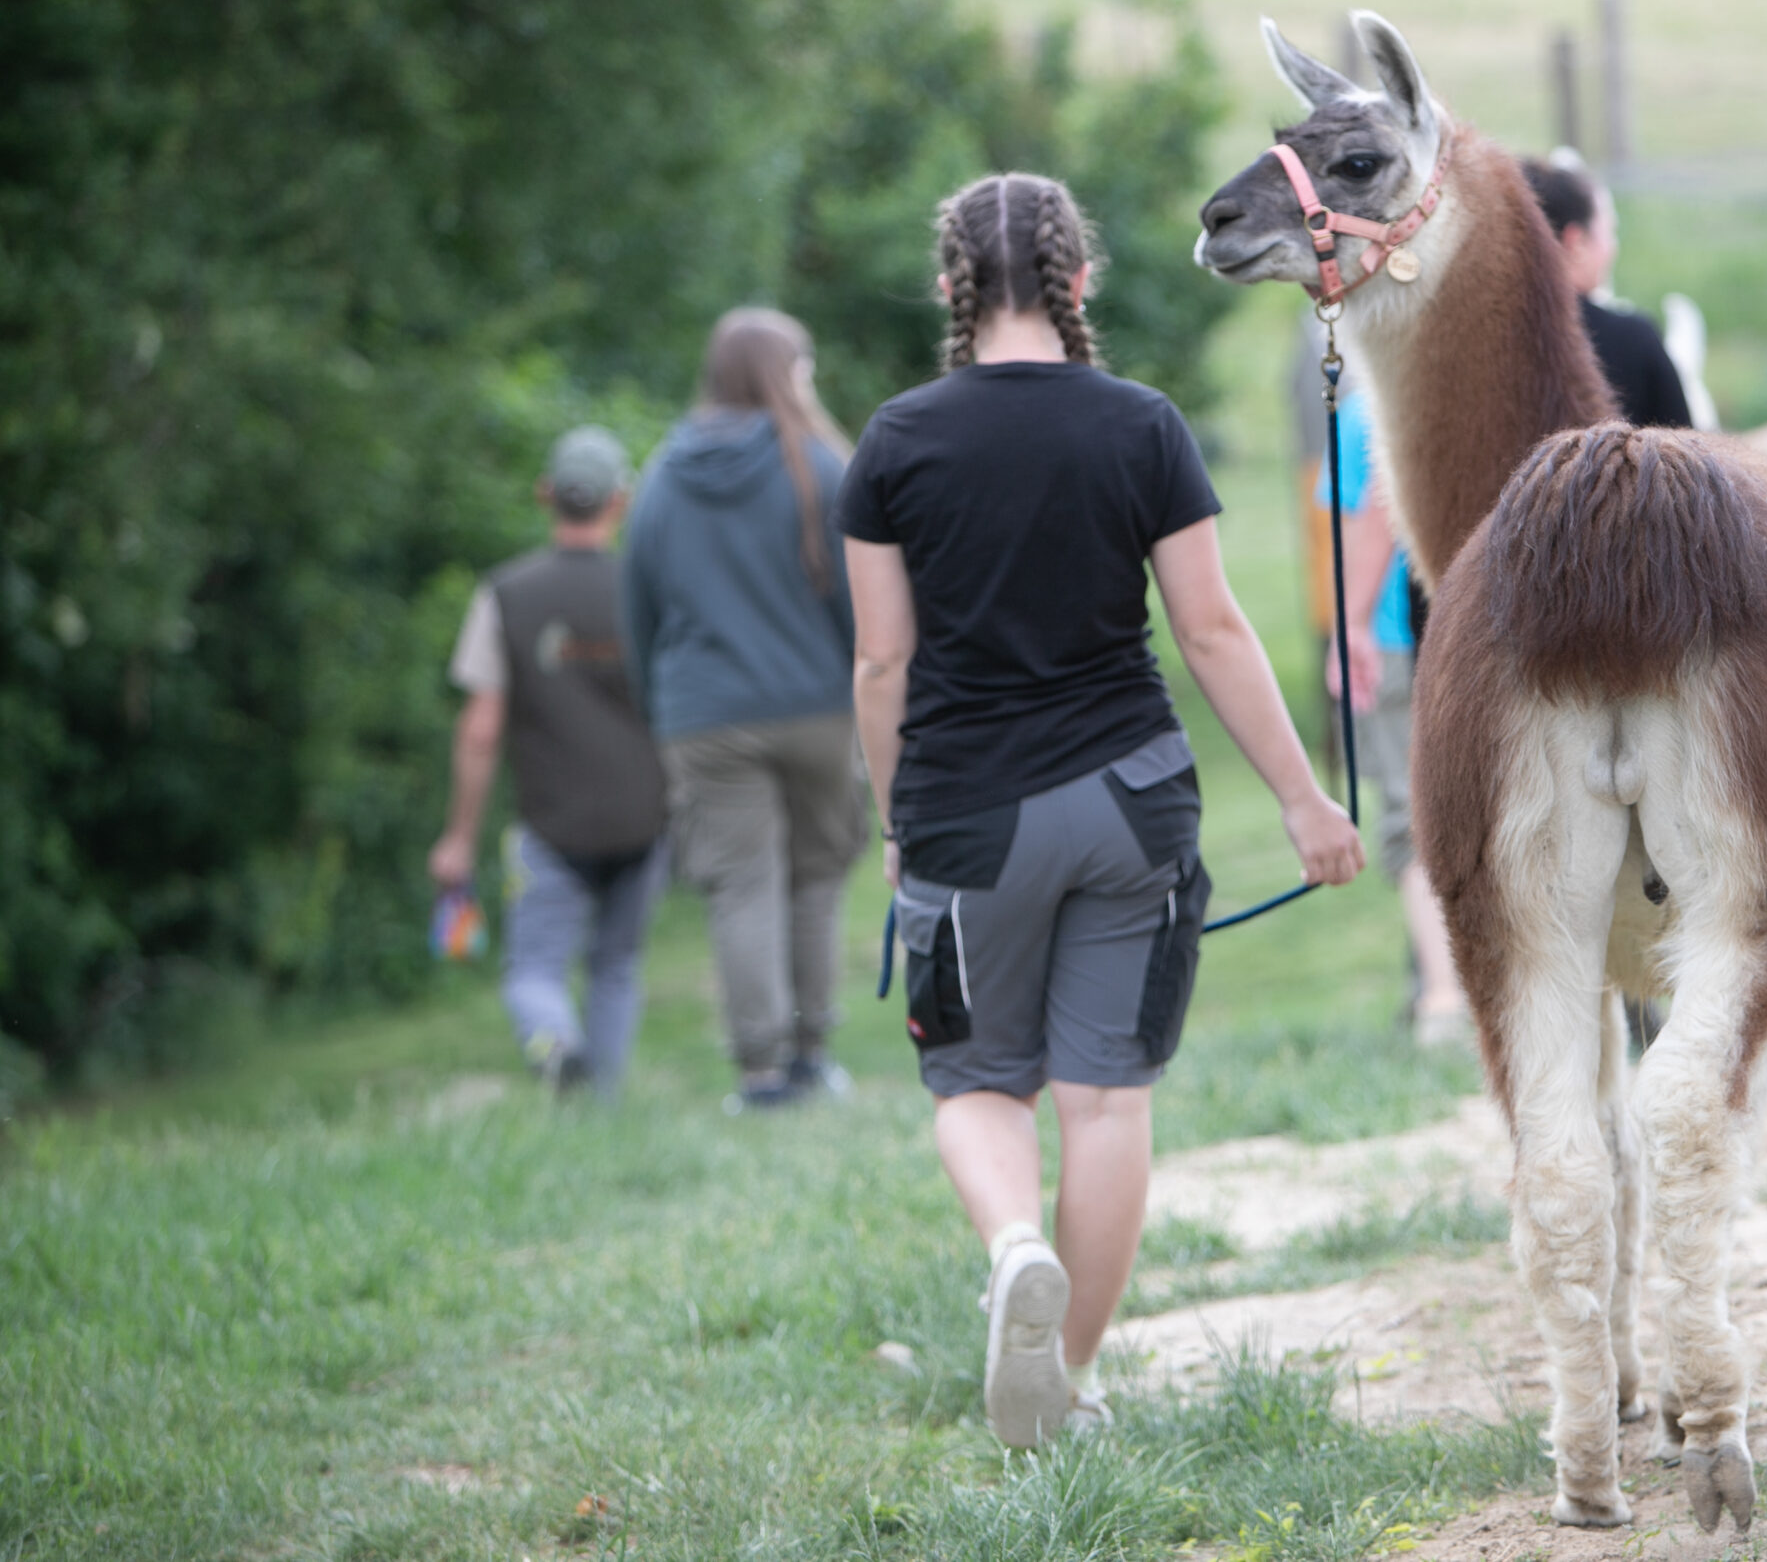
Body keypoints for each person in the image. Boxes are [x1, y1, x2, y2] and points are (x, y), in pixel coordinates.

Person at [839, 172, 1363, 1448]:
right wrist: (1305, 803)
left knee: (976, 1084)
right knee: (1109, 1103)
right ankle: (1064, 1382)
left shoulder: (896, 442)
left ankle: (1017, 1246)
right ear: (1080, 284)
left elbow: (880, 666)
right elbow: (1211, 629)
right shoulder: (1141, 424)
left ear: (952, 291)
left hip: (969, 811)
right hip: (1131, 804)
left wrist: (895, 815)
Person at [623, 308, 868, 1112]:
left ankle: (758, 1074)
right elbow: (860, 604)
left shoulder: (660, 474)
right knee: (815, 880)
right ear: (779, 374)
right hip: (817, 706)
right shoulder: (822, 467)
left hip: (704, 718)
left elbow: (639, 610)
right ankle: (811, 1054)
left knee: (740, 887)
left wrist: (658, 700)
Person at [430, 427, 670, 1095]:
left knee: (533, 971)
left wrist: (458, 838)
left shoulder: (504, 594)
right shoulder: (647, 592)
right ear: (620, 502)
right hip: (645, 818)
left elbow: (480, 730)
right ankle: (602, 1103)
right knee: (615, 967)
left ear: (545, 496)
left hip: (550, 823)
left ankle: (555, 1044)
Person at [1318, 383, 1469, 1049]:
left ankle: (1443, 999)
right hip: (1459, 628)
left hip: (1389, 637)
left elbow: (1370, 511)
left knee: (1412, 824)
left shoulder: (1364, 409)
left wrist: (1346, 624)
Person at [1518, 149, 1694, 430]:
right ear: (1575, 242)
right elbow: (1690, 458)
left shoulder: (1482, 338)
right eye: (1608, 233)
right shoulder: (1634, 340)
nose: (1612, 248)